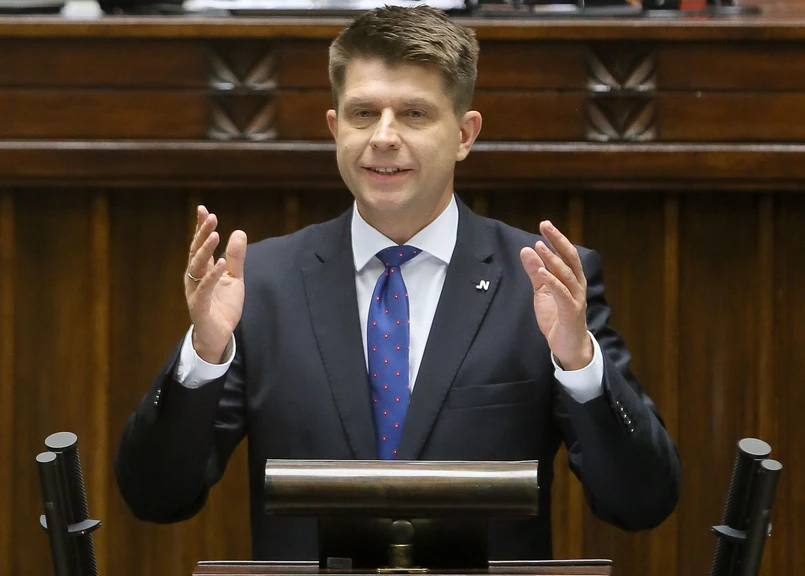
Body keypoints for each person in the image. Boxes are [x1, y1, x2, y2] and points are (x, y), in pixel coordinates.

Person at [115, 5, 680, 562]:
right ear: (335, 128)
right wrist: (204, 356)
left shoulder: (540, 283)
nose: (383, 137)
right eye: (363, 114)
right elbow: (157, 497)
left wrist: (579, 365)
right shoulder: (262, 286)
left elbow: (642, 501)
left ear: (464, 134)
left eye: (413, 114)